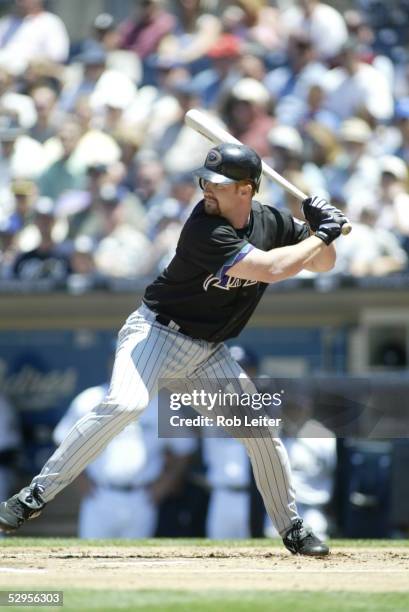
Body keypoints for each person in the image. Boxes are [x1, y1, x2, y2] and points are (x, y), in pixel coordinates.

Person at [0, 142, 348, 556]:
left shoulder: (271, 221)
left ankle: (291, 527)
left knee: (261, 432)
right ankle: (33, 496)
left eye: (218, 184)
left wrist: (317, 231)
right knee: (126, 404)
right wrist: (323, 232)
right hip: (157, 334)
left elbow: (323, 263)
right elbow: (273, 269)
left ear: (246, 190)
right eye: (205, 181)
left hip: (209, 353)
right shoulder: (205, 226)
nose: (207, 189)